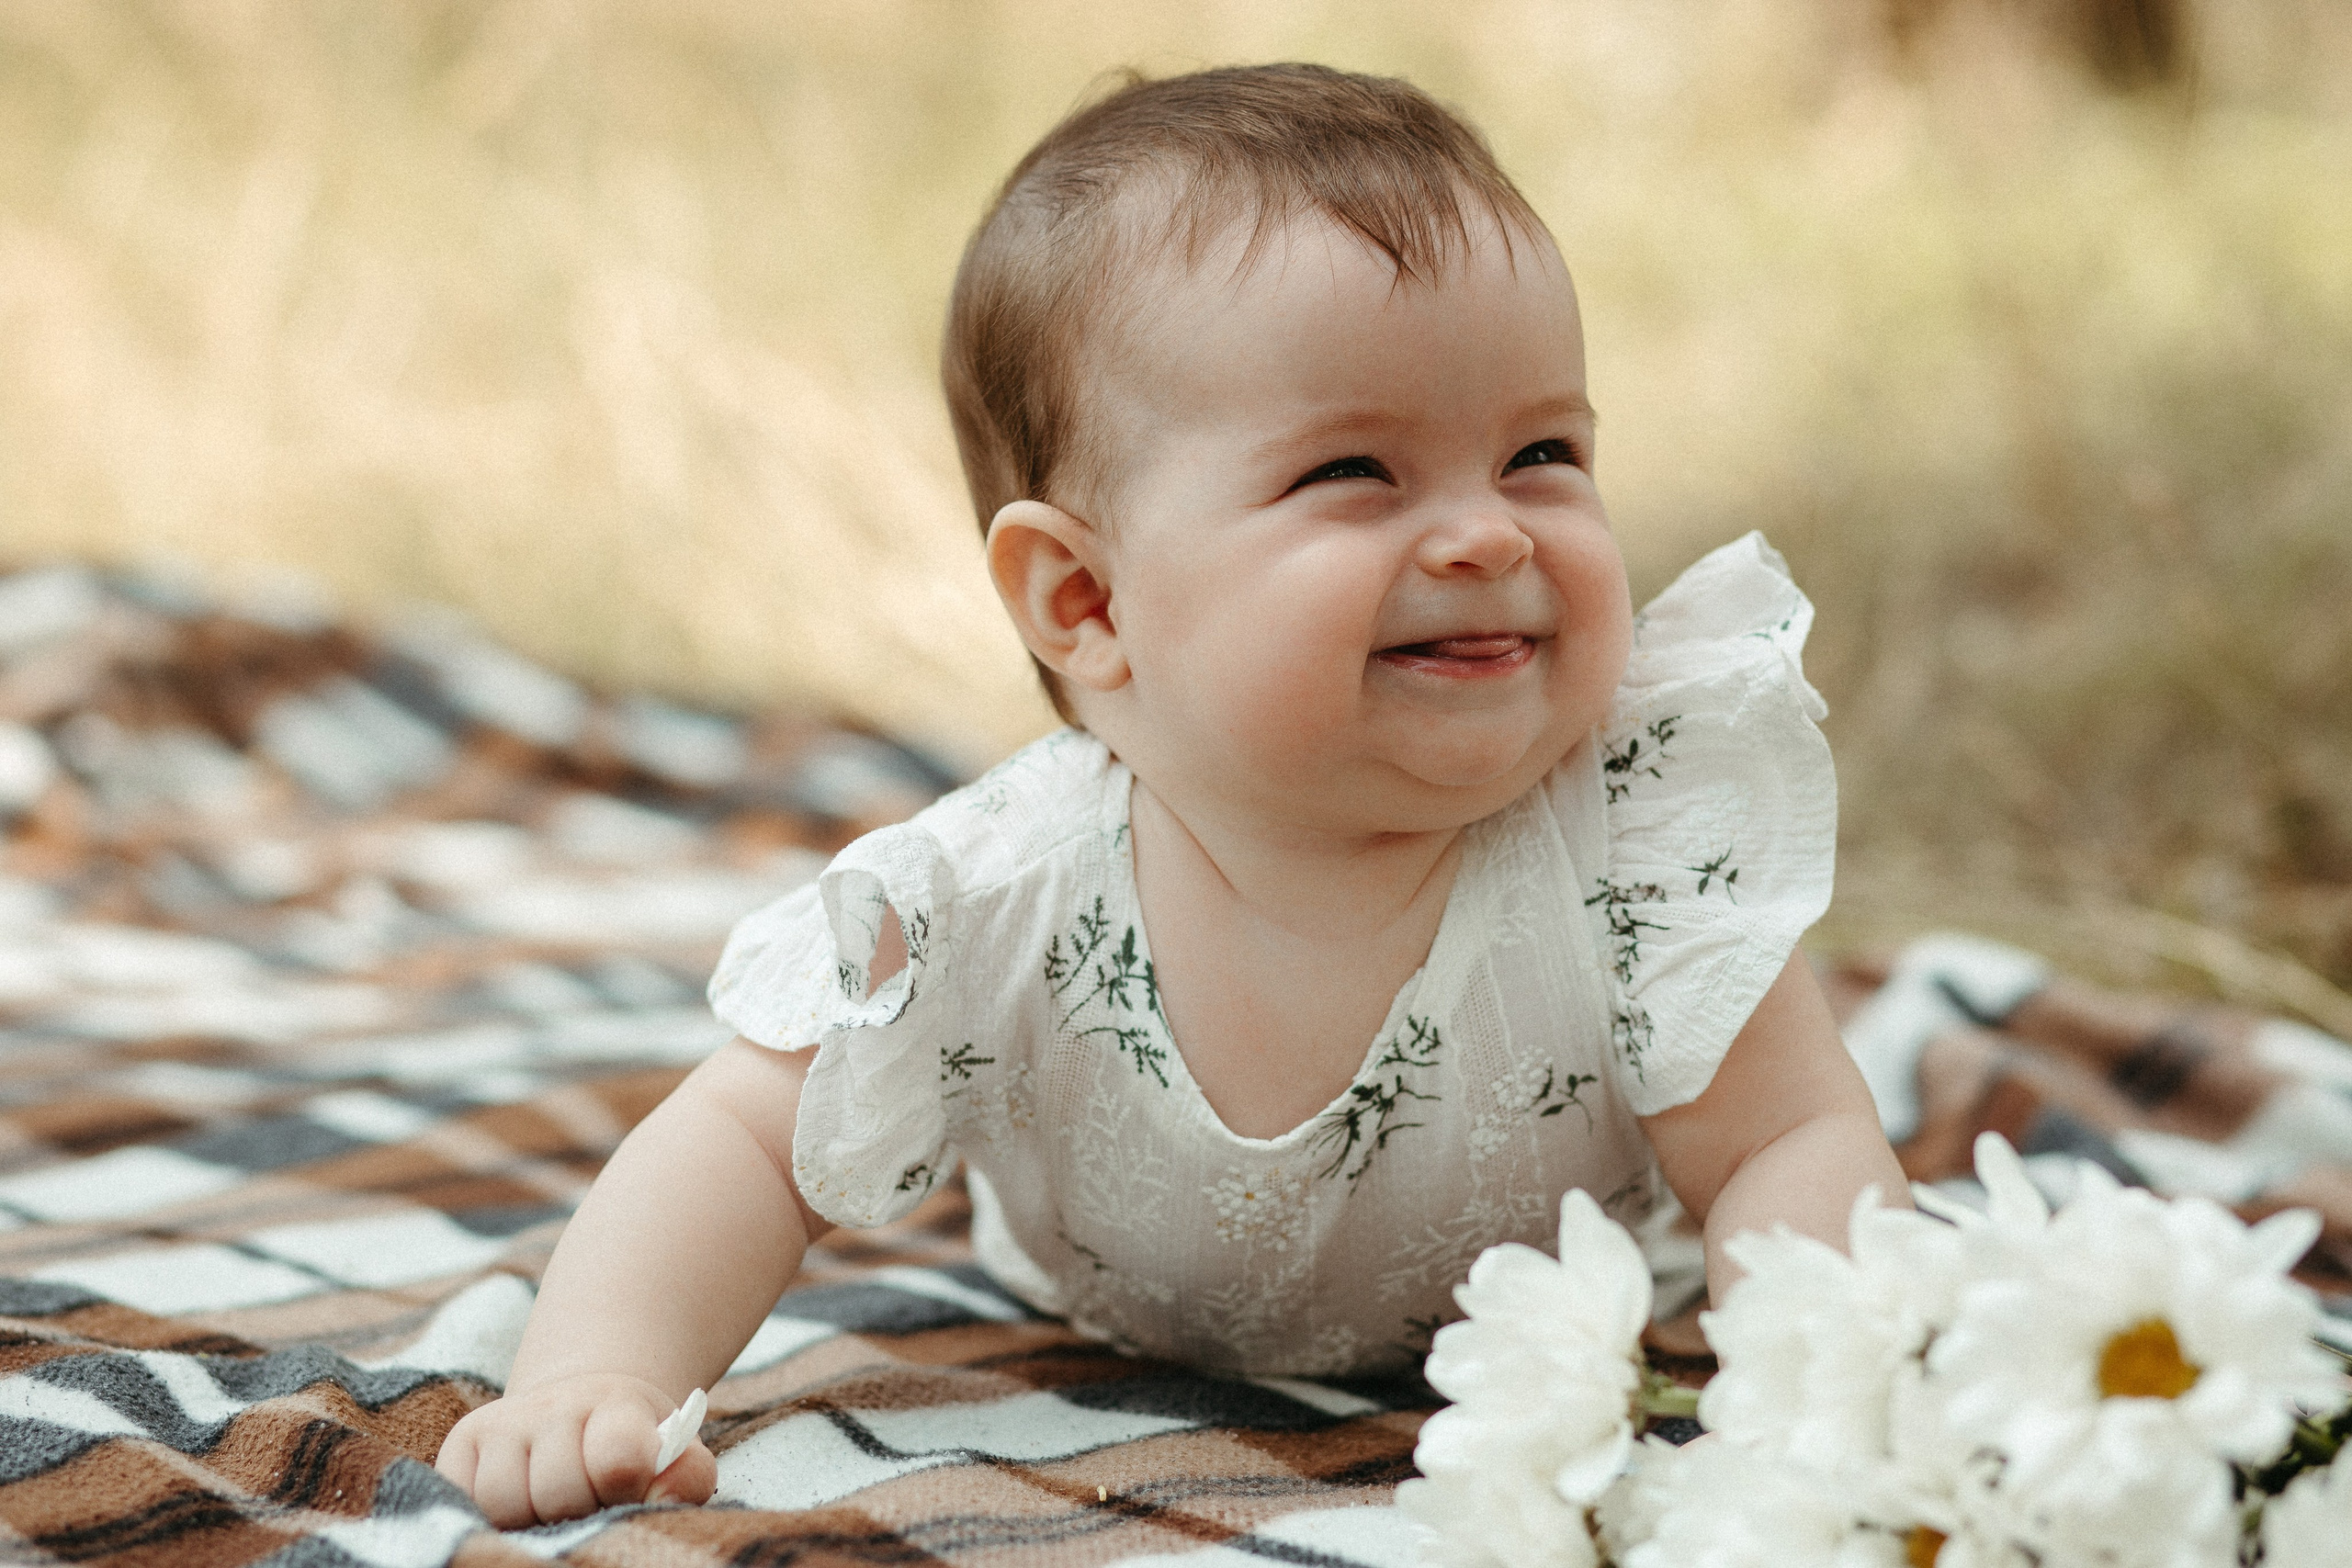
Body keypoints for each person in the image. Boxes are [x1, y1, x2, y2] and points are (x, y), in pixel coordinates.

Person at [435, 62, 1905, 1529]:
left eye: (1541, 455)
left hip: (1558, 1328)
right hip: (1112, 1319)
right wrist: (593, 1377)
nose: (1482, 532)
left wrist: (1810, 1422)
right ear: (1086, 599)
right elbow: (749, 1142)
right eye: (1355, 471)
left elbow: (1789, 1141)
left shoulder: (1634, 846)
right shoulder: (998, 900)